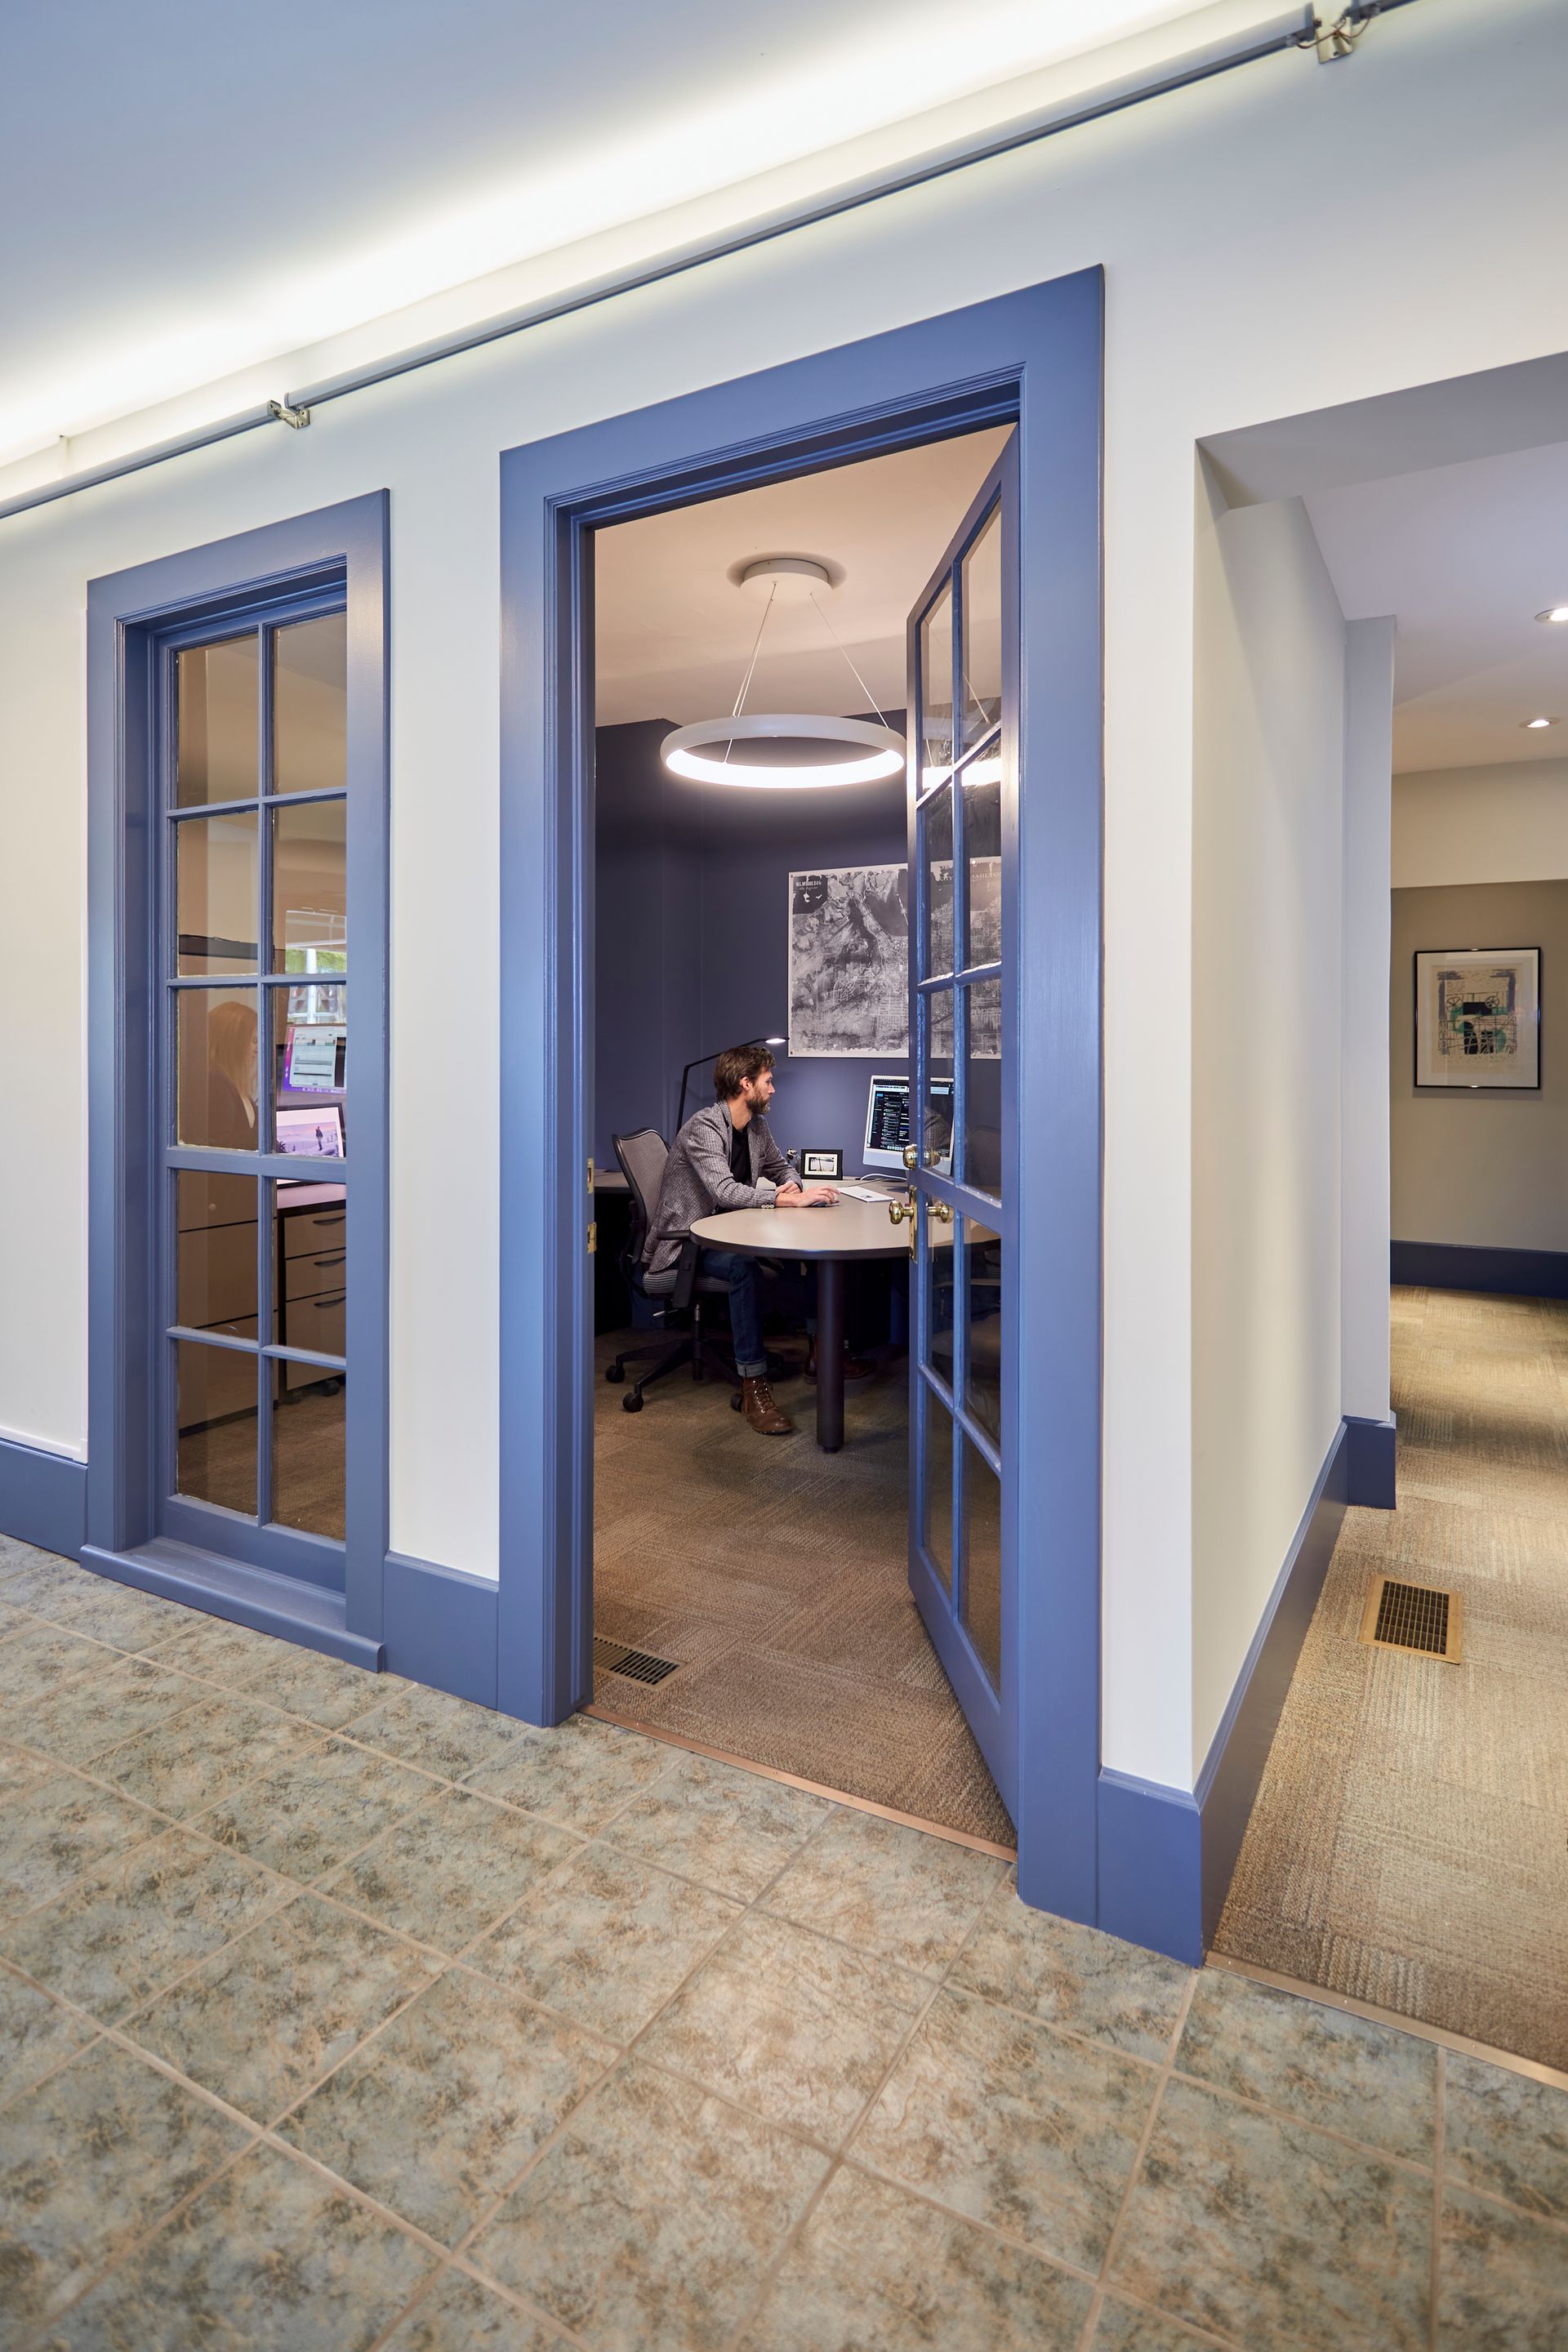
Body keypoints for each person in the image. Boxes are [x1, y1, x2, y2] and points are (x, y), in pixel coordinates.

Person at [645, 1042, 835, 1435]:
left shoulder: (756, 1127)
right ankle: (754, 1387)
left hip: (726, 1235)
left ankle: (823, 1357)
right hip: (684, 1247)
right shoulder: (704, 1128)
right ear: (745, 1084)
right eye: (768, 1081)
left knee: (817, 1257)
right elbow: (724, 1191)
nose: (774, 1089)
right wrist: (786, 1202)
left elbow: (782, 1167)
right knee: (744, 1270)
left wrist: (793, 1189)